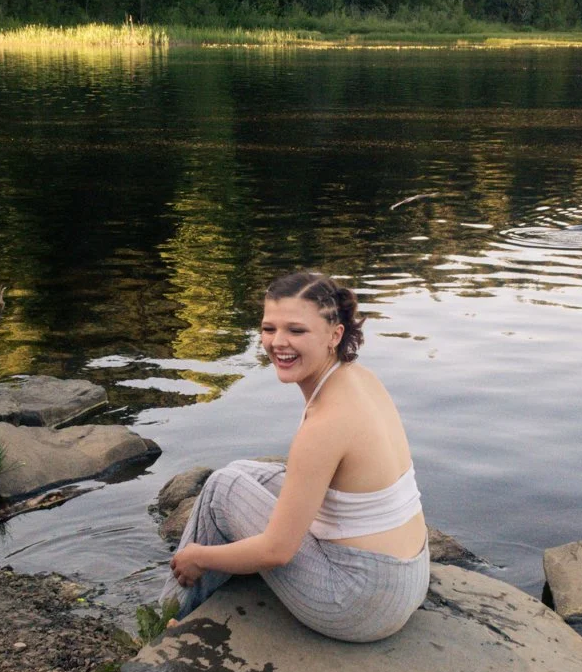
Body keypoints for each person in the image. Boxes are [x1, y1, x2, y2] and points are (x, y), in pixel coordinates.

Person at [161, 271, 429, 642]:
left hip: (358, 604)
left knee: (223, 487)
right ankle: (203, 594)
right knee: (241, 472)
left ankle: (166, 622)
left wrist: (198, 556)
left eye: (296, 331)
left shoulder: (326, 423)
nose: (278, 343)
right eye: (269, 328)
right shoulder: (361, 378)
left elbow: (278, 550)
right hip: (410, 576)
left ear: (334, 334)